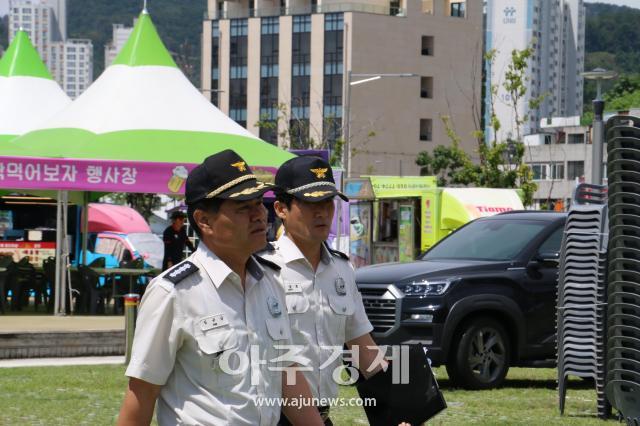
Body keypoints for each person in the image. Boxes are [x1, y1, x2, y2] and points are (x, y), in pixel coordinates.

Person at [117, 150, 323, 426]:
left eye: (259, 203)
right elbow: (142, 394)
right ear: (204, 221)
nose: (259, 215)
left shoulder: (270, 283)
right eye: (243, 208)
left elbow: (288, 373)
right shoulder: (173, 293)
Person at [259, 156, 389, 426]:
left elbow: (363, 348)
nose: (322, 212)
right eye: (310, 203)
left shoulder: (342, 269)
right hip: (272, 417)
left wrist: (401, 404)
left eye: (327, 202)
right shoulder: (263, 269)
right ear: (282, 208)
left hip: (322, 416)